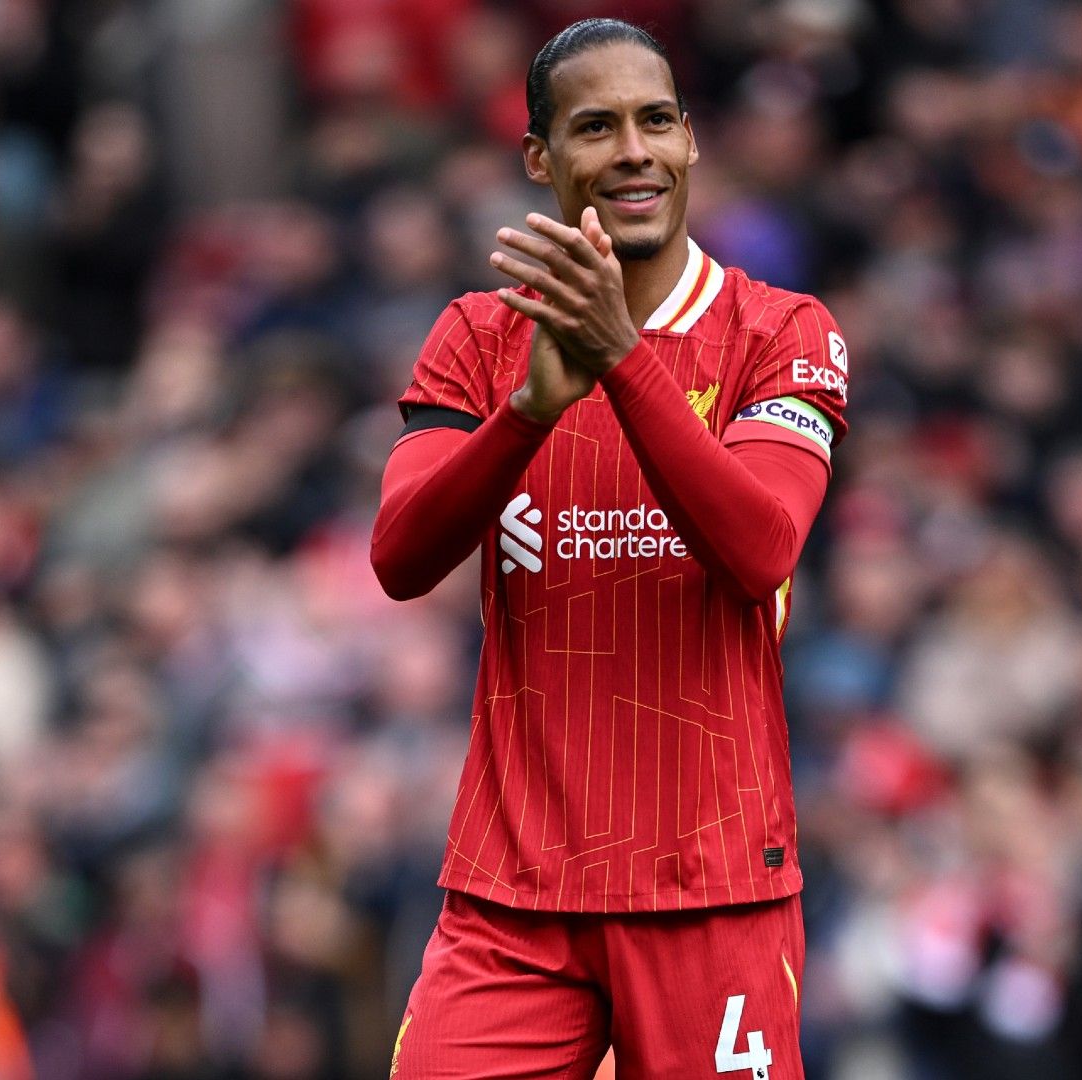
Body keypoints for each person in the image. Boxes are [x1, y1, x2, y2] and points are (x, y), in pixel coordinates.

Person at [370, 18, 849, 1078]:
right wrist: (526, 416)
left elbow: (762, 546)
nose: (633, 149)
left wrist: (620, 359)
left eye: (656, 121)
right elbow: (399, 559)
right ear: (540, 159)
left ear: (689, 144)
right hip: (514, 896)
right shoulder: (478, 338)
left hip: (711, 890)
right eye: (596, 126)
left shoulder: (784, 332)